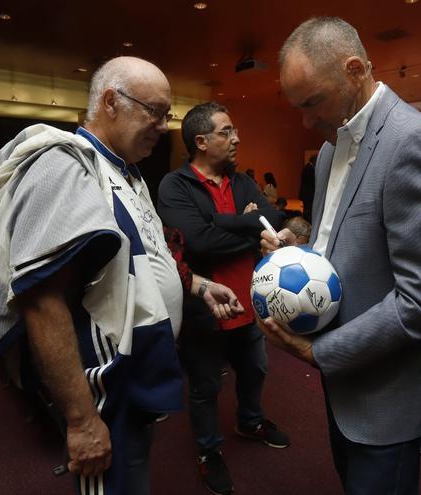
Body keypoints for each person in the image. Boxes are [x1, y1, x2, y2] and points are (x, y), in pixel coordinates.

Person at [0, 56, 239, 495]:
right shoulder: (64, 166)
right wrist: (81, 420)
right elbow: (41, 300)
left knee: (132, 468)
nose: (163, 125)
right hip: (103, 382)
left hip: (139, 366)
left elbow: (138, 262)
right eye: (155, 112)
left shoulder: (125, 170)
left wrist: (198, 285)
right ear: (111, 101)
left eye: (166, 115)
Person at [261, 17, 421, 494]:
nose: (306, 122)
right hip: (350, 376)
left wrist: (316, 351)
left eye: (312, 102)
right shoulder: (333, 149)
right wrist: (303, 252)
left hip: (387, 388)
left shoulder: (415, 141)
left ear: (354, 69)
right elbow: (344, 240)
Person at [157, 101, 289, 495]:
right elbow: (197, 242)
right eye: (226, 131)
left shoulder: (242, 181)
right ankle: (208, 450)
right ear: (201, 141)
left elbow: (275, 217)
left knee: (256, 372)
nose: (237, 138)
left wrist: (225, 224)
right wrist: (250, 225)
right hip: (205, 310)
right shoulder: (174, 186)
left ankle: (249, 422)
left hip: (251, 307)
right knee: (204, 388)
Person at [299, 155, 316, 222]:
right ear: (314, 161)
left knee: (307, 208)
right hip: (308, 193)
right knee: (308, 209)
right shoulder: (310, 169)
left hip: (306, 193)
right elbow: (311, 182)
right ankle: (307, 221)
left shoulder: (307, 167)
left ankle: (306, 220)